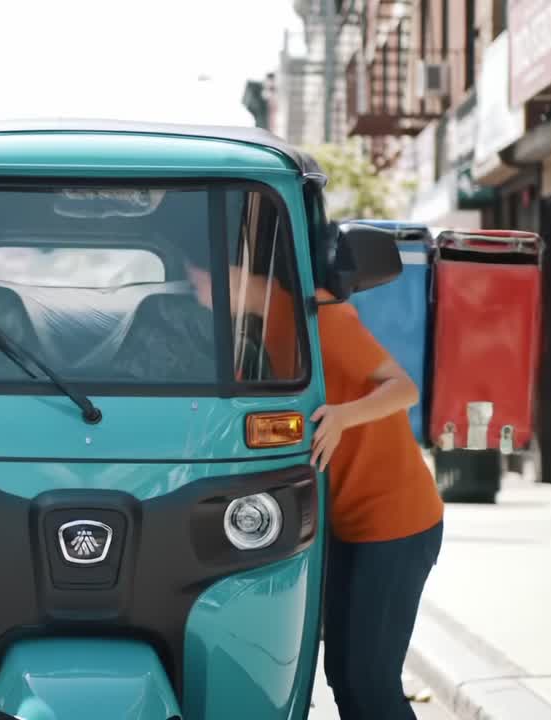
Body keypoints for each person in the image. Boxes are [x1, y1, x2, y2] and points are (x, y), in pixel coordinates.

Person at [183, 225, 443, 720]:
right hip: (348, 522)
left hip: (397, 520)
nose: (196, 292)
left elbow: (403, 388)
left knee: (370, 681)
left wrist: (343, 417)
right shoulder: (255, 333)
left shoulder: (317, 316)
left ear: (236, 272)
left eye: (198, 279)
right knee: (342, 675)